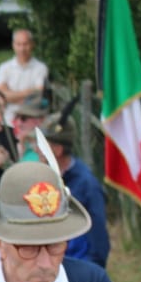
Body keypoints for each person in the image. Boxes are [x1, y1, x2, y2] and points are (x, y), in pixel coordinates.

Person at [41, 113, 110, 267]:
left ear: (57, 150)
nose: (38, 151)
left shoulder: (87, 185)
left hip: (75, 268)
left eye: (43, 146)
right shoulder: (46, 179)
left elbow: (98, 240)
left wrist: (88, 277)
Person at [0, 28, 48, 126]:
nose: (22, 49)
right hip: (7, 121)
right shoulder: (4, 68)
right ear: (13, 45)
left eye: (25, 44)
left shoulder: (41, 68)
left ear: (32, 44)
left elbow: (38, 94)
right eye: (18, 44)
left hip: (32, 122)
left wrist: (9, 95)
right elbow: (0, 96)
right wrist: (27, 93)